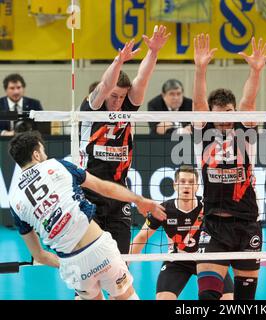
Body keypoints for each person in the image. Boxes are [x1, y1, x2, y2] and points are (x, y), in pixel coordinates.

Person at [8, 131, 166, 300]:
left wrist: (67, 265)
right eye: (43, 151)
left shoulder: (15, 200)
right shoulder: (57, 165)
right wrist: (139, 200)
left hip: (71, 263)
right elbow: (104, 188)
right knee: (126, 296)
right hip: (98, 248)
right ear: (36, 154)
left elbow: (39, 255)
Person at [192, 34, 266, 300]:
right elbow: (198, 105)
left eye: (229, 113)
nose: (225, 119)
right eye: (219, 114)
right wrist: (200, 69)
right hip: (214, 225)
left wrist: (256, 70)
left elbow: (249, 102)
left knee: (244, 301)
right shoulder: (203, 133)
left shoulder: (244, 132)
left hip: (247, 225)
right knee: (207, 297)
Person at [79, 25, 170, 255]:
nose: (118, 101)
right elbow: (106, 84)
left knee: (121, 263)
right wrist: (119, 61)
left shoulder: (127, 108)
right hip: (89, 193)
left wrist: (154, 52)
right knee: (90, 265)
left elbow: (142, 78)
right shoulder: (93, 107)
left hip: (119, 195)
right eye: (114, 96)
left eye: (122, 96)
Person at [130, 165, 234, 300]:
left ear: (197, 186)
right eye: (182, 182)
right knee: (163, 298)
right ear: (175, 185)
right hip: (177, 261)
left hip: (207, 259)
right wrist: (124, 262)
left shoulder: (208, 209)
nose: (186, 186)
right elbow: (142, 236)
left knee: (228, 299)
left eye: (191, 182)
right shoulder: (163, 209)